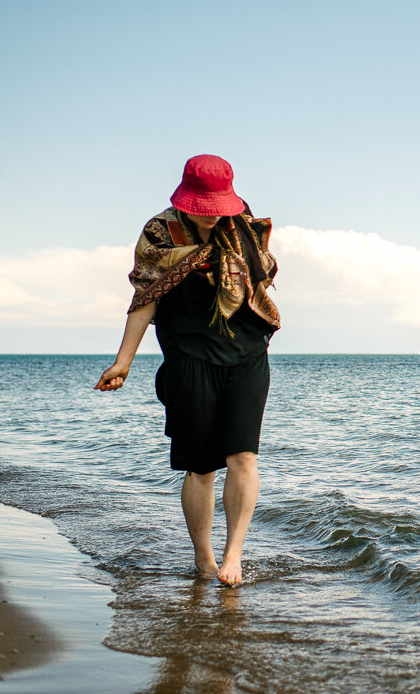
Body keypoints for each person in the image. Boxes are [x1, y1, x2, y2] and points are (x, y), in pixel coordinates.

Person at [94, 154, 280, 586]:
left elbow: (259, 277)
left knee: (244, 457)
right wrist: (124, 361)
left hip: (247, 354)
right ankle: (204, 558)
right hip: (189, 358)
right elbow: (146, 297)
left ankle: (234, 556)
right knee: (200, 466)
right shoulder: (159, 233)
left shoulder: (241, 222)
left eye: (220, 207)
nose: (213, 216)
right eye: (205, 208)